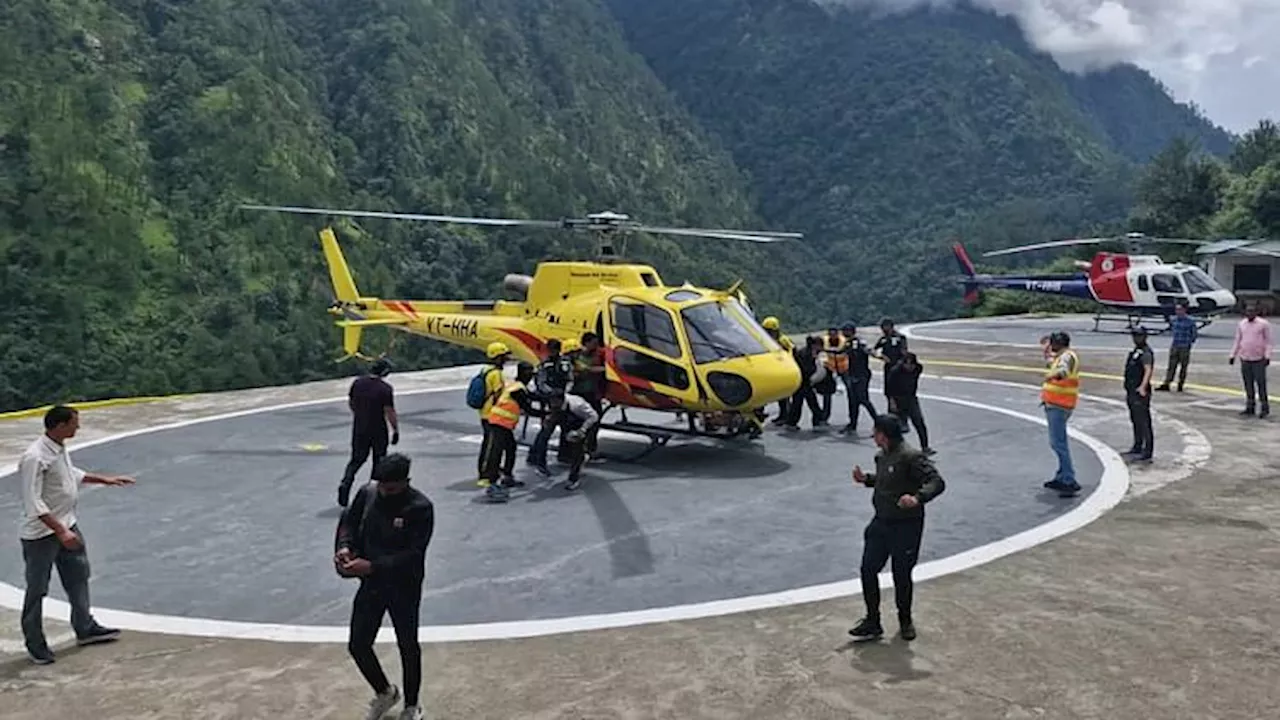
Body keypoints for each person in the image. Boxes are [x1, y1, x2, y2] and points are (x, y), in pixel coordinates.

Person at [18, 405, 135, 665]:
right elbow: (32, 502)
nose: (77, 428)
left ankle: (85, 627)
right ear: (59, 426)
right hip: (42, 535)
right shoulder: (35, 457)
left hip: (67, 525)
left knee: (78, 577)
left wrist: (103, 480)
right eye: (74, 424)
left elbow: (69, 475)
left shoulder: (58, 448)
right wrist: (60, 531)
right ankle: (35, 643)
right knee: (37, 589)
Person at [334, 453, 434, 720]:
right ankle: (385, 692)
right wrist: (345, 548)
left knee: (408, 645)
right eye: (380, 485)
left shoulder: (420, 507)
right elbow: (348, 523)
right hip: (372, 585)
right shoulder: (367, 494)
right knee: (358, 644)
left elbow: (413, 554)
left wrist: (372, 566)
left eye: (390, 487)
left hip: (404, 587)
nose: (383, 491)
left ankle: (412, 705)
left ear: (405, 482)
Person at [848, 414, 946, 643]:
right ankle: (872, 620)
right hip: (881, 521)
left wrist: (917, 498)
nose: (873, 435)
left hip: (906, 526)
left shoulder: (910, 457)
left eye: (875, 431)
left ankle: (905, 620)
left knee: (902, 574)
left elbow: (937, 482)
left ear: (883, 434)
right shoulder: (881, 456)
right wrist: (867, 479)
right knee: (867, 569)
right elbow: (887, 482)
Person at [339, 357, 400, 507]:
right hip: (378, 429)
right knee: (378, 461)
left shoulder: (357, 383)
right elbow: (389, 411)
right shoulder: (385, 389)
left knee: (356, 459)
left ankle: (346, 482)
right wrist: (395, 430)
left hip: (359, 427)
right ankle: (372, 494)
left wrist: (359, 415)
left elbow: (351, 403)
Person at [481, 361, 544, 502]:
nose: (530, 377)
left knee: (511, 449)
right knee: (495, 454)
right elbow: (528, 408)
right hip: (498, 423)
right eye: (529, 374)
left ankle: (507, 477)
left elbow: (532, 396)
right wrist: (546, 414)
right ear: (522, 373)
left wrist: (547, 397)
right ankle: (492, 484)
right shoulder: (517, 390)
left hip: (505, 425)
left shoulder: (517, 386)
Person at [1040, 331, 1082, 497]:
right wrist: (1046, 354)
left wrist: (1051, 375)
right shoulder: (1063, 356)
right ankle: (1062, 475)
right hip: (1057, 404)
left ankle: (1068, 478)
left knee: (1058, 443)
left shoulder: (1066, 357)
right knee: (1058, 442)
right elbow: (1052, 363)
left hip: (1059, 404)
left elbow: (1062, 371)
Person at [528, 338, 575, 476]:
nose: (553, 352)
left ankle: (564, 455)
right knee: (546, 431)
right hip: (550, 401)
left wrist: (565, 392)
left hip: (564, 399)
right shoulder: (544, 365)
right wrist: (551, 393)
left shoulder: (565, 363)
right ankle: (538, 460)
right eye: (551, 349)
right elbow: (540, 383)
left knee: (567, 427)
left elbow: (570, 378)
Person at [475, 342, 511, 488]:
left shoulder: (485, 370)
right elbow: (498, 395)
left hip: (485, 413)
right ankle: (485, 475)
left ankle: (492, 471)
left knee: (491, 444)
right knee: (490, 446)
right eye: (503, 357)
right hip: (492, 415)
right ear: (497, 357)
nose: (506, 360)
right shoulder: (496, 374)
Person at [549, 392, 600, 491]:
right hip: (568, 423)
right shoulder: (556, 405)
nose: (552, 405)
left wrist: (582, 430)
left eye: (555, 403)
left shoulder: (577, 405)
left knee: (577, 451)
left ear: (561, 400)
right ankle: (582, 457)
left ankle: (573, 479)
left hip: (584, 422)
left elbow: (594, 417)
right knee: (570, 447)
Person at [1229, 304, 1272, 418]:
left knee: (1261, 383)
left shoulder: (1263, 324)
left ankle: (1264, 407)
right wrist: (1233, 354)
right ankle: (1250, 406)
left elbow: (1268, 341)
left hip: (1258, 358)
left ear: (1256, 312)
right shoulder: (1242, 324)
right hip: (1245, 357)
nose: (1249, 313)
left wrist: (1267, 356)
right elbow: (1238, 340)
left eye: (1252, 311)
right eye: (1248, 311)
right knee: (1248, 383)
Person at [838, 322, 879, 436]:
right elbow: (841, 352)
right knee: (852, 401)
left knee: (863, 399)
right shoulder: (848, 343)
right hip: (852, 374)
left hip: (862, 375)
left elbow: (867, 350)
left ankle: (879, 424)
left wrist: (874, 354)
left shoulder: (859, 342)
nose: (843, 333)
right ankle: (852, 424)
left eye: (845, 331)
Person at [886, 352, 932, 454]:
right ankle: (893, 448)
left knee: (919, 422)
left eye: (911, 365)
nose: (909, 367)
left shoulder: (917, 369)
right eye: (907, 364)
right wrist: (892, 402)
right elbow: (889, 388)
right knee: (894, 426)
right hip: (897, 398)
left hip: (911, 398)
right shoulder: (895, 372)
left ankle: (925, 446)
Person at [571, 332, 608, 457]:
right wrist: (605, 369)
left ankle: (590, 448)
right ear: (586, 343)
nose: (596, 346)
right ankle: (577, 449)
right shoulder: (576, 356)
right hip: (579, 394)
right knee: (578, 421)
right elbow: (585, 369)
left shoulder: (598, 354)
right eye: (594, 343)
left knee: (595, 420)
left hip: (593, 393)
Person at [1123, 328, 1155, 462]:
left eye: (1139, 336)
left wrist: (1142, 386)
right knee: (1135, 419)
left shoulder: (1146, 353)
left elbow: (1148, 369)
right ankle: (1137, 445)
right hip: (1131, 390)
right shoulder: (1136, 351)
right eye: (1135, 336)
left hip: (1139, 391)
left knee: (1144, 421)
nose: (1136, 338)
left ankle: (1147, 450)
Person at [782, 336, 824, 430]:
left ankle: (791, 422)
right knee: (809, 402)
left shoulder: (804, 351)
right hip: (804, 381)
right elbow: (807, 368)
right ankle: (818, 421)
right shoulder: (808, 354)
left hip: (800, 380)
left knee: (798, 402)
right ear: (815, 345)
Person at [1156, 302, 1197, 392]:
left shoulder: (1190, 321)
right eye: (1177, 309)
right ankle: (1167, 382)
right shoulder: (1174, 320)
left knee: (1183, 366)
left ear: (1184, 310)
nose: (1177, 311)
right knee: (1171, 365)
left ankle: (1180, 383)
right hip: (1175, 345)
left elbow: (1194, 334)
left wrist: (1188, 343)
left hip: (1184, 346)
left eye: (1180, 309)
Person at [761, 316, 795, 425]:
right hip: (772, 369)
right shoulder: (765, 340)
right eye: (766, 331)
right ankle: (782, 415)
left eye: (770, 331)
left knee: (784, 396)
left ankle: (785, 416)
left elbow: (791, 351)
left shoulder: (783, 340)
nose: (768, 333)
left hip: (783, 369)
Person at [874, 317, 908, 403]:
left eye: (883, 327)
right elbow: (874, 350)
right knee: (888, 391)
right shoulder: (883, 339)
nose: (882, 329)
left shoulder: (900, 337)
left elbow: (904, 353)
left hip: (900, 368)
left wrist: (899, 364)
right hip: (888, 367)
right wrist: (881, 356)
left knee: (899, 391)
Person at [818, 327, 847, 423]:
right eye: (831, 334)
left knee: (852, 393)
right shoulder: (824, 340)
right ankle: (825, 416)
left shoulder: (844, 341)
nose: (832, 336)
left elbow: (841, 351)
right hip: (829, 368)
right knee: (827, 393)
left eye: (834, 334)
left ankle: (852, 418)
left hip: (843, 368)